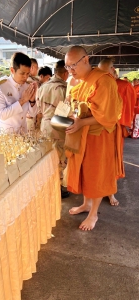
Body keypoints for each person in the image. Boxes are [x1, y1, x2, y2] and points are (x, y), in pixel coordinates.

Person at [64, 46, 123, 230]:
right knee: (85, 171)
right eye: (67, 67)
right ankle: (86, 203)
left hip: (100, 136)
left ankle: (93, 214)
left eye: (73, 65)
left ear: (86, 60)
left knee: (96, 173)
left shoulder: (103, 81)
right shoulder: (80, 82)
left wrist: (81, 123)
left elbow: (108, 115)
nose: (71, 71)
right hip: (84, 136)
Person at [98, 58, 136, 205]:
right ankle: (98, 189)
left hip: (114, 129)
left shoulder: (124, 85)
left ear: (112, 70)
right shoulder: (95, 84)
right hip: (97, 130)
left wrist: (124, 124)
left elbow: (129, 105)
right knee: (99, 161)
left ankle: (111, 192)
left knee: (113, 160)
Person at [36, 60, 69, 198]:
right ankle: (59, 187)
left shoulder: (43, 86)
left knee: (47, 155)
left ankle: (47, 184)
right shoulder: (64, 89)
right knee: (60, 157)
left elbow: (38, 107)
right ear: (65, 72)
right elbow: (65, 112)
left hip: (45, 124)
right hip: (58, 125)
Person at [0, 52, 38, 134]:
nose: (25, 77)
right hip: (5, 136)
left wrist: (32, 101)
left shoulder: (27, 86)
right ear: (12, 70)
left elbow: (33, 114)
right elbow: (2, 115)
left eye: (27, 73)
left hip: (22, 135)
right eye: (22, 73)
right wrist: (22, 100)